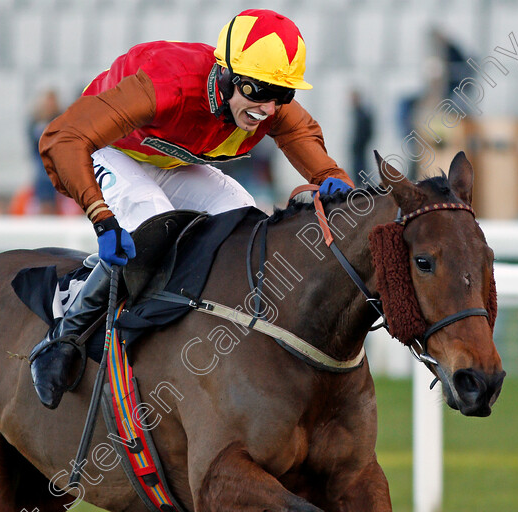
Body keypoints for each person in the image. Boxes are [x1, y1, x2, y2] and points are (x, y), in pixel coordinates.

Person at [28, 9, 355, 409]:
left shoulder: (266, 100)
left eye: (281, 95)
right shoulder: (168, 85)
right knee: (150, 218)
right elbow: (62, 137)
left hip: (166, 161)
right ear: (226, 74)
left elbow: (303, 135)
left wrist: (331, 176)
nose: (268, 108)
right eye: (256, 92)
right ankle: (63, 336)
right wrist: (101, 215)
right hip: (107, 148)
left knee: (241, 216)